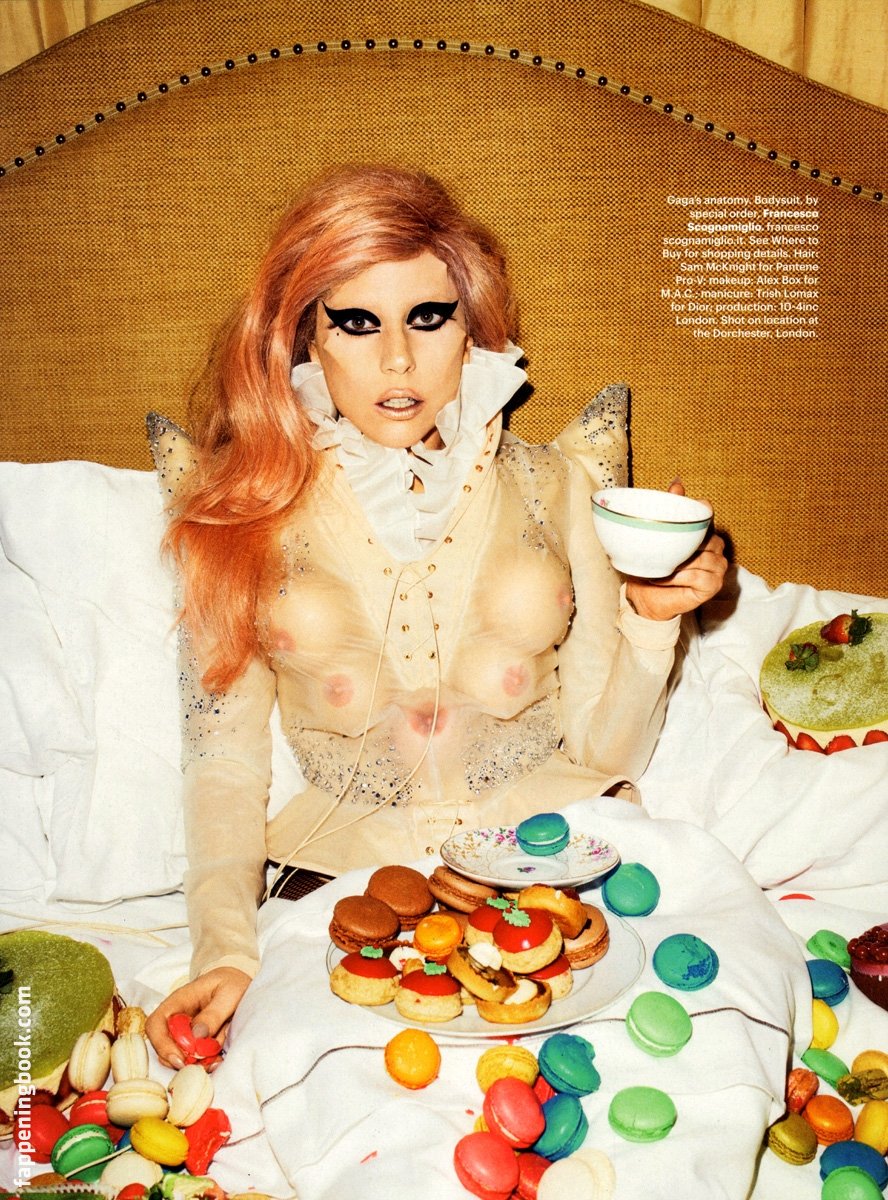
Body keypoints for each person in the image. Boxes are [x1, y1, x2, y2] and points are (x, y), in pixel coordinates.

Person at [145, 164, 727, 1066]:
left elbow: (606, 752)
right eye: (356, 322)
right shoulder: (234, 517)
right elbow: (221, 761)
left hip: (566, 859)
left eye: (428, 317)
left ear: (470, 329)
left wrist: (653, 622)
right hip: (340, 886)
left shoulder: (559, 485)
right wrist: (225, 947)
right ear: (305, 339)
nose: (398, 361)